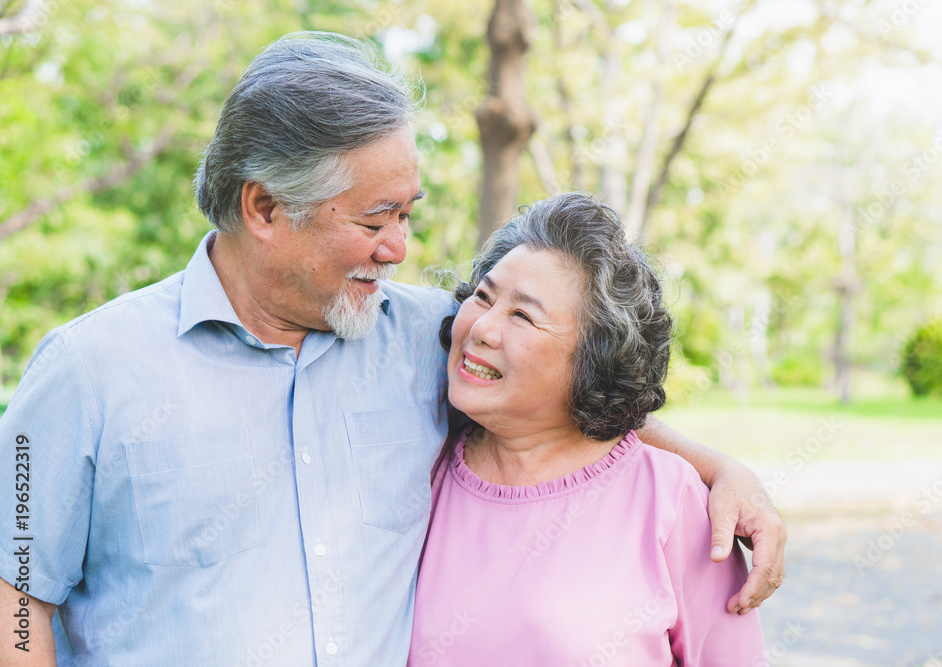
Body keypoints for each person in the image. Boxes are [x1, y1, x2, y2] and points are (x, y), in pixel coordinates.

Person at [0, 32, 783, 666]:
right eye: (375, 221)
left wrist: (720, 470)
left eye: (409, 214)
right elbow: (17, 595)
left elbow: (563, 383)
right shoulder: (86, 373)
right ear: (266, 207)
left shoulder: (424, 335)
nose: (399, 249)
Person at [409, 193, 765, 665]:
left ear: (592, 362)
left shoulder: (673, 501)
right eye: (483, 296)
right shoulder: (419, 465)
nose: (482, 328)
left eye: (523, 316)